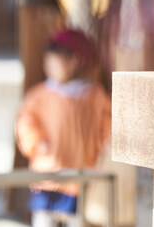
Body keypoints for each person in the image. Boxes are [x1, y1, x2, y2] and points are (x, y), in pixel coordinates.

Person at [15, 29, 111, 227]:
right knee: (44, 220)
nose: (48, 66)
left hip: (81, 176)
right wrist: (36, 142)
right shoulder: (40, 95)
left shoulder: (94, 96)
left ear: (74, 61)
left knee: (79, 221)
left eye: (54, 61)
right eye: (47, 61)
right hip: (47, 177)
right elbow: (26, 121)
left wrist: (105, 149)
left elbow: (107, 125)